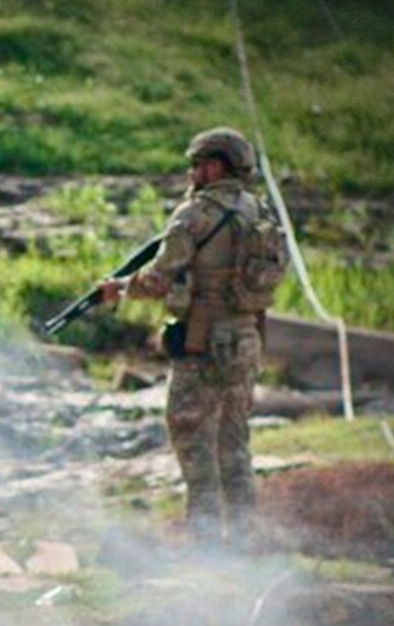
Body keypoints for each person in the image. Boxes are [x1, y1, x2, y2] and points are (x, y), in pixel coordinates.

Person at [99, 127, 288, 547]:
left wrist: (121, 287)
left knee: (191, 434)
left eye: (198, 163)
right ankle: (242, 538)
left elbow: (159, 279)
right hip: (246, 338)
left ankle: (204, 542)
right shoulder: (257, 210)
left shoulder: (194, 215)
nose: (192, 172)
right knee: (234, 441)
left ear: (216, 164)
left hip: (203, 342)